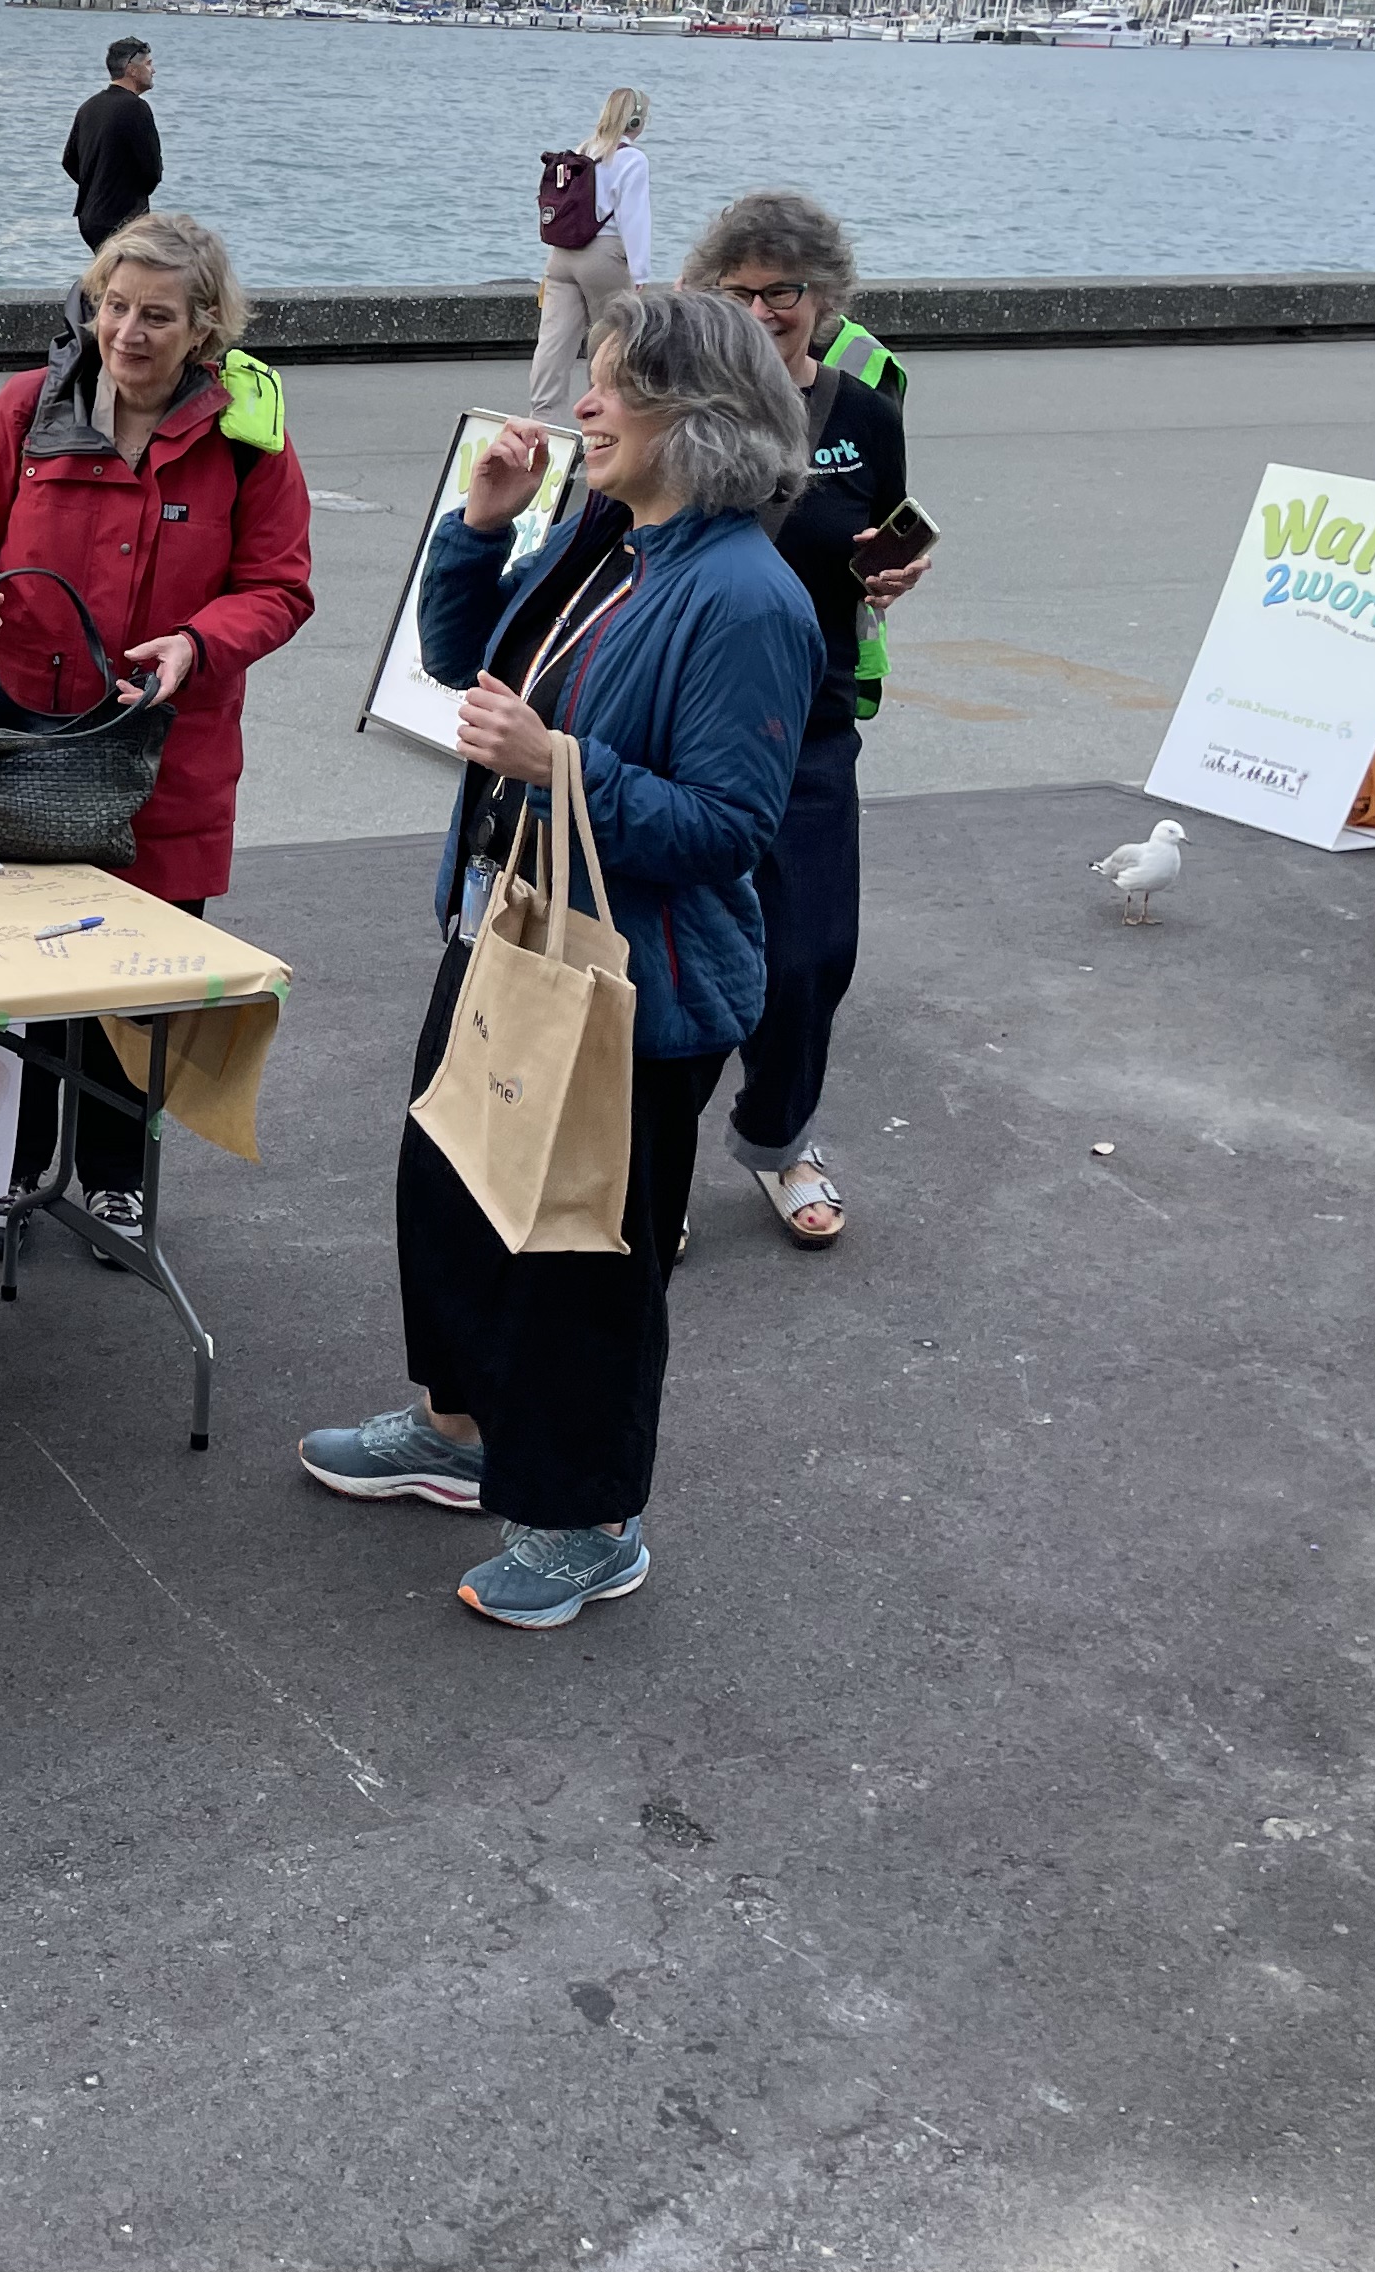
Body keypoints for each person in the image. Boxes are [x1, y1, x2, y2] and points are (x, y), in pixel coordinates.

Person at [298, 287, 818, 1630]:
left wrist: (563, 766)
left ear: (695, 418)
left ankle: (591, 1520)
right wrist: (480, 532)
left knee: (583, 1257)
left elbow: (729, 828)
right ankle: (462, 1429)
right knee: (454, 1192)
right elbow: (465, 666)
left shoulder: (746, 595)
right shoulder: (608, 533)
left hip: (636, 985)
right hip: (504, 929)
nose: (582, 405)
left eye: (612, 387)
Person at [0, 210, 316, 1251]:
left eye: (157, 316)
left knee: (135, 995)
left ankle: (113, 1174)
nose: (128, 332)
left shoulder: (247, 445)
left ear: (205, 328)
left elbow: (279, 587)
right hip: (19, 755)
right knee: (5, 983)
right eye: (113, 308)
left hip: (163, 763)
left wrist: (196, 642)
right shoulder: (24, 412)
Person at [681, 193, 929, 1248]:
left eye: (783, 290)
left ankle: (780, 1139)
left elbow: (877, 539)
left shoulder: (866, 416)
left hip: (815, 716)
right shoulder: (671, 402)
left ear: (822, 297)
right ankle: (646, 1163)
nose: (762, 310)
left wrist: (894, 575)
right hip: (683, 723)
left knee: (812, 956)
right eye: (736, 292)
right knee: (669, 959)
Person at [526, 86, 652, 428]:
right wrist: (640, 272)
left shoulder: (582, 150)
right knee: (610, 341)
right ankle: (602, 420)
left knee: (553, 342)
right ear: (636, 119)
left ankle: (544, 422)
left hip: (562, 255)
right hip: (603, 257)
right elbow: (634, 218)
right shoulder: (631, 158)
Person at [62, 36, 163, 252]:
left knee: (106, 274)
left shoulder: (89, 107)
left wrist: (97, 183)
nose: (153, 71)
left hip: (89, 216)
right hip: (123, 217)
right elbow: (152, 171)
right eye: (148, 64)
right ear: (132, 70)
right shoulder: (137, 108)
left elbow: (69, 162)